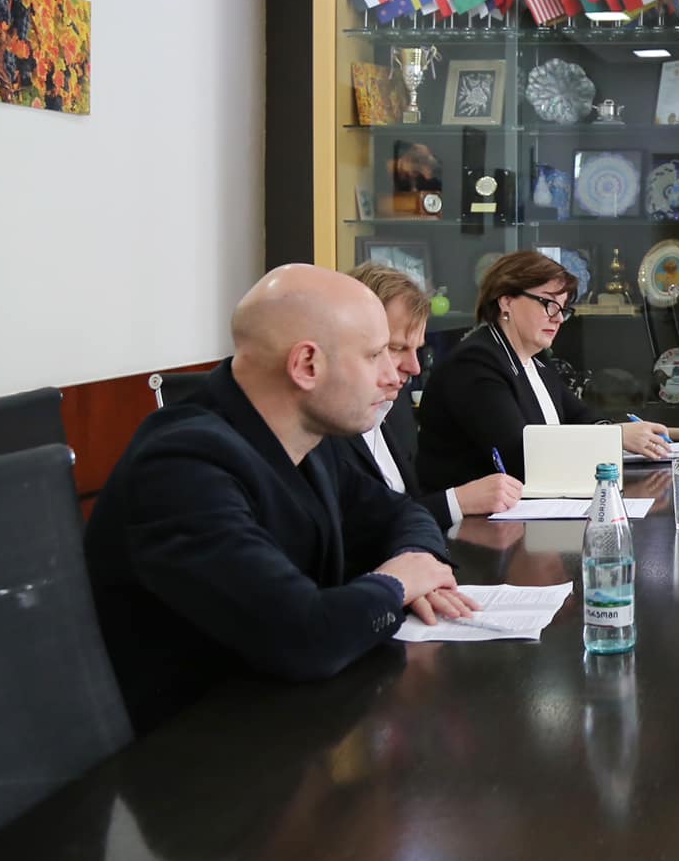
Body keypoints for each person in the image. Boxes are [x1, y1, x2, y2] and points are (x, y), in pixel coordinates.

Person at [85, 265, 474, 733]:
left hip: (281, 718)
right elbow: (304, 635)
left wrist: (418, 561)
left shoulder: (307, 440)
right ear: (307, 365)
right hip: (197, 753)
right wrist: (397, 583)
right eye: (375, 355)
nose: (394, 374)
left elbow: (400, 513)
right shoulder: (180, 467)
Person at [417, 250, 670, 494]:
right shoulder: (475, 363)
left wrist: (620, 433)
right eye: (549, 304)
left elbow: (580, 417)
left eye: (563, 309)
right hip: (476, 517)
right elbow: (520, 455)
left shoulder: (535, 358)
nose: (558, 319)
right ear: (506, 300)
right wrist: (615, 437)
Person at [338, 262, 523, 529]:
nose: (414, 367)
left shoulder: (396, 408)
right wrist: (457, 502)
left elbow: (406, 506)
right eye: (396, 348)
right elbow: (355, 530)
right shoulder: (323, 425)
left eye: (417, 350)